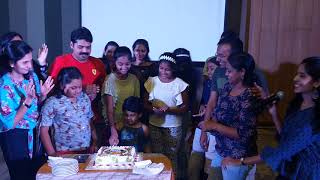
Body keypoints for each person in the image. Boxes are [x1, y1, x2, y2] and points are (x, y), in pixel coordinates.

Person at [222, 57, 320, 180]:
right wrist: (274, 114)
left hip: (306, 173)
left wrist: (240, 161)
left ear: (317, 82)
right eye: (297, 74)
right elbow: (284, 136)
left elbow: (283, 151)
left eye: (302, 76)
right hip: (290, 169)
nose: (295, 79)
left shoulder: (314, 118)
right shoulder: (297, 104)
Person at [199, 52, 258, 179]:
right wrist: (207, 126)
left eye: (229, 71)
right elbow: (218, 112)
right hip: (222, 149)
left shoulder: (249, 97)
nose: (226, 74)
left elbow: (243, 134)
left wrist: (214, 126)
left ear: (242, 72)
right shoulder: (227, 87)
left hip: (239, 156)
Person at [0, 40, 54, 179]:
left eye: (30, 61)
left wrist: (43, 95)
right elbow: (9, 124)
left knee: (38, 173)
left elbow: (37, 104)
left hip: (34, 133)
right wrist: (27, 102)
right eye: (25, 62)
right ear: (12, 63)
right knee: (21, 175)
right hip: (16, 137)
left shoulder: (31, 76)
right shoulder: (4, 86)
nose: (30, 66)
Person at [49, 27, 106, 146]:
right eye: (80, 47)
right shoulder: (60, 61)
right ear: (71, 45)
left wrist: (96, 92)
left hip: (92, 118)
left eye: (88, 47)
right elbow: (51, 89)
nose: (85, 50)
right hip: (65, 123)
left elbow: (103, 90)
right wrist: (83, 89)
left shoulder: (98, 64)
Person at [144, 52, 189, 177]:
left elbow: (185, 108)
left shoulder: (180, 84)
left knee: (172, 155)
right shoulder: (151, 81)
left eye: (167, 70)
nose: (163, 72)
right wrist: (153, 110)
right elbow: (144, 104)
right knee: (158, 155)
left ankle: (171, 176)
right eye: (161, 68)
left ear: (173, 69)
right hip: (155, 124)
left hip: (173, 126)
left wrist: (168, 110)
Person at [40, 67, 98, 156]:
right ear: (62, 86)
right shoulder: (53, 103)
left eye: (80, 87)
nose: (78, 91)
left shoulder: (84, 98)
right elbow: (44, 130)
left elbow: (89, 121)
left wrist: (94, 142)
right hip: (64, 152)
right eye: (73, 88)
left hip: (87, 150)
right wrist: (52, 154)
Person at [188, 56, 219, 180]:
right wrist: (202, 105)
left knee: (210, 158)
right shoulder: (207, 83)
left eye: (212, 69)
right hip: (203, 122)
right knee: (196, 154)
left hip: (214, 125)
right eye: (208, 68)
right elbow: (206, 102)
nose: (209, 72)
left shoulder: (223, 85)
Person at [102, 46, 140, 146]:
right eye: (120, 64)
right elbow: (109, 109)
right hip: (114, 125)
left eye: (127, 64)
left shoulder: (134, 79)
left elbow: (137, 104)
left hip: (131, 123)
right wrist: (113, 130)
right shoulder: (110, 80)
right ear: (115, 62)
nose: (124, 67)